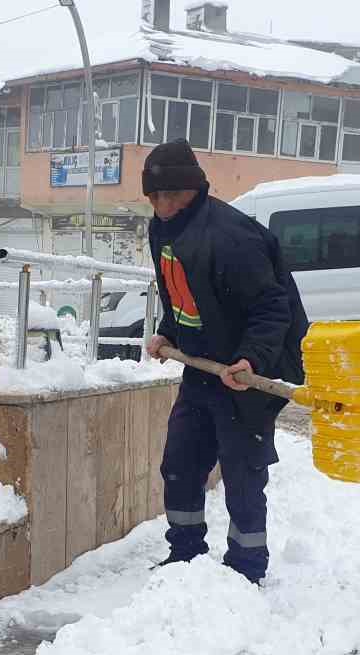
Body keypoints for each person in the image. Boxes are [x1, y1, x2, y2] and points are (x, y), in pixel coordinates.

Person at [143, 140, 309, 584]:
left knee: (242, 471)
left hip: (246, 372)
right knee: (180, 462)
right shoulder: (163, 229)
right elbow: (185, 292)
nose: (163, 205)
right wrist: (170, 332)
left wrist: (251, 360)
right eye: (156, 197)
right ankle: (186, 556)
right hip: (202, 367)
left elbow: (274, 307)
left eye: (172, 195)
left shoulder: (232, 236)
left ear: (195, 189)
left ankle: (246, 568)